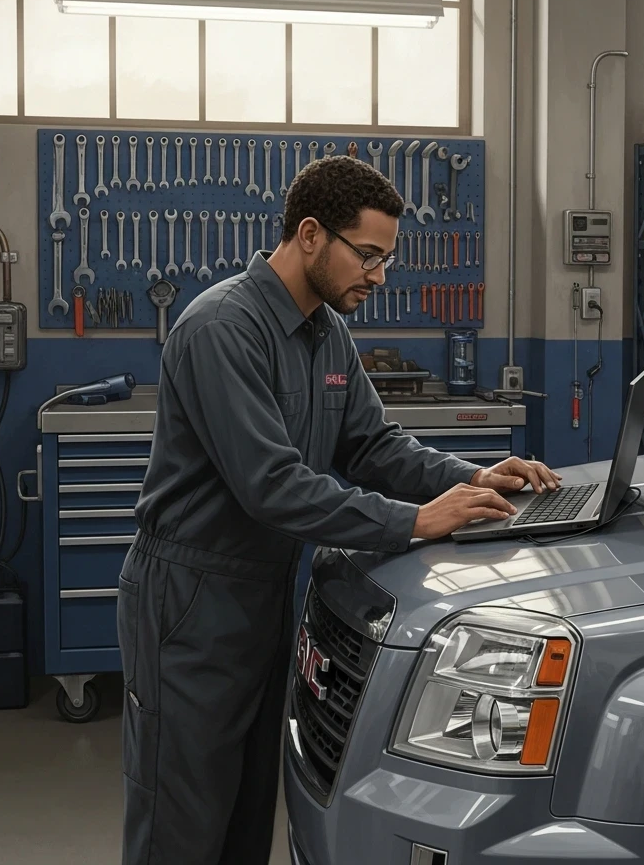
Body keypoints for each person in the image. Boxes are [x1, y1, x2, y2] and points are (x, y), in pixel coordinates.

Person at [117, 155, 560, 865]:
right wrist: (415, 520)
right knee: (182, 824)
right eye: (370, 256)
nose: (379, 277)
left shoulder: (327, 332)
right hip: (189, 604)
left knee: (243, 816)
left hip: (262, 594)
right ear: (313, 235)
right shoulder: (221, 328)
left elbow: (373, 444)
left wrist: (476, 479)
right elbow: (273, 485)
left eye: (386, 259)